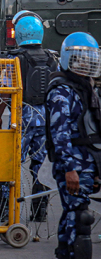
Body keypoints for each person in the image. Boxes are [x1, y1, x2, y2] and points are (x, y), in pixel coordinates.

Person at [0, 11, 56, 222]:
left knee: (10, 164)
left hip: (22, 118)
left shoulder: (15, 60)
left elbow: (5, 91)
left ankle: (3, 211)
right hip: (45, 119)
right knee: (40, 166)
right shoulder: (50, 58)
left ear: (19, 34)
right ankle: (40, 211)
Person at [45, 32, 101, 259]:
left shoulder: (87, 88)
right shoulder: (62, 91)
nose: (85, 64)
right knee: (79, 218)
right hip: (72, 166)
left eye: (89, 59)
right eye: (80, 59)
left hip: (87, 165)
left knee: (74, 216)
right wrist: (69, 169)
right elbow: (60, 134)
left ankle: (65, 252)